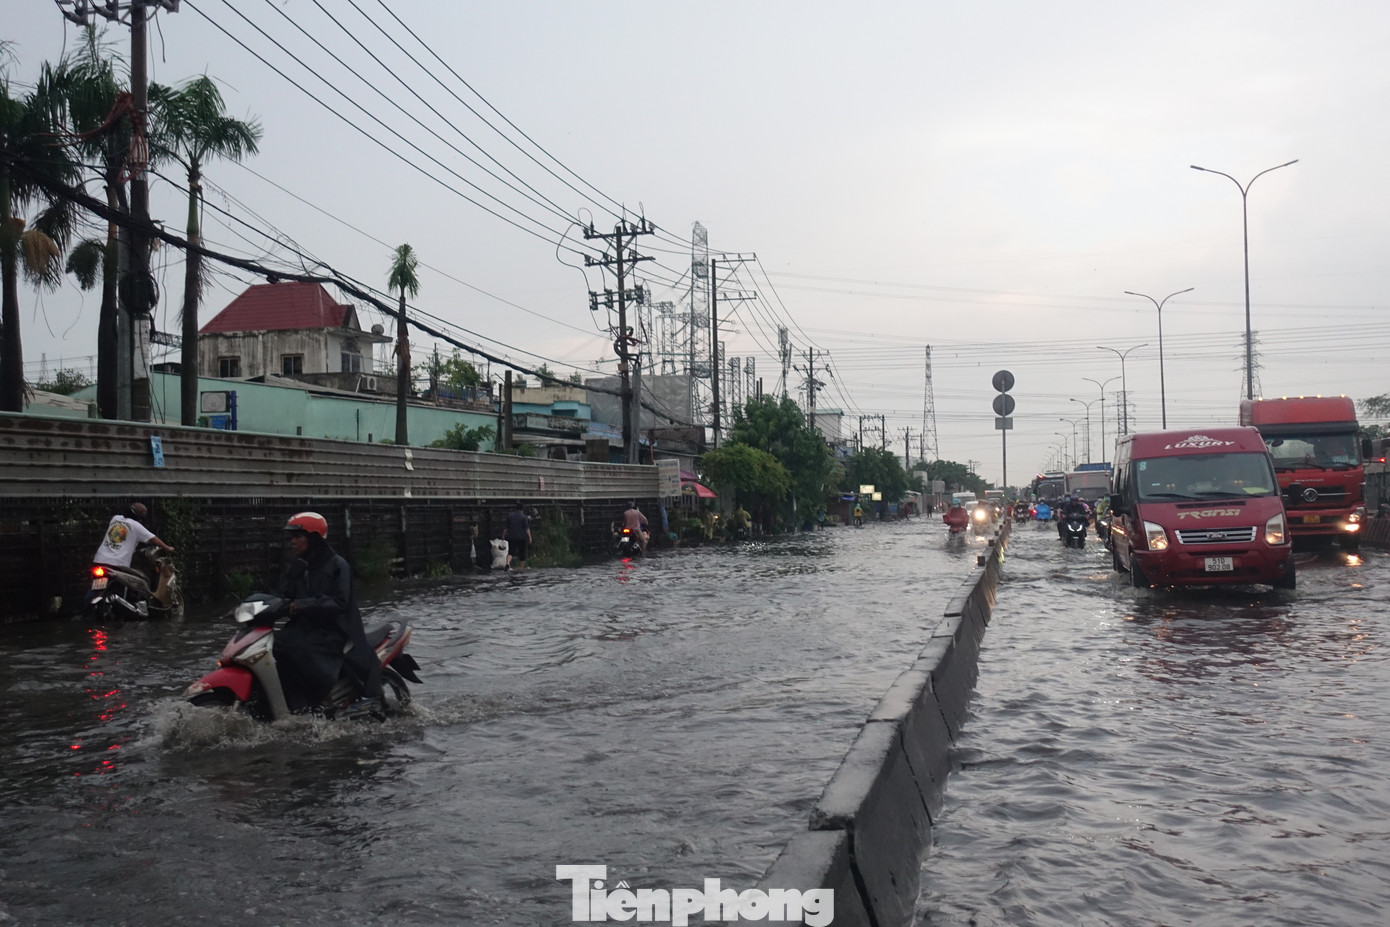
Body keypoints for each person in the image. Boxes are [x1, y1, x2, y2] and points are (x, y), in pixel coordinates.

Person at [273, 512, 382, 714]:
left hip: (334, 630)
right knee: (275, 644)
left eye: (298, 536)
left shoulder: (338, 565)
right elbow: (282, 594)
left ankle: (318, 698)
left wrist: (302, 605)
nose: (293, 542)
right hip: (306, 627)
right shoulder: (298, 567)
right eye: (291, 537)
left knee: (302, 648)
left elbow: (339, 602)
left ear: (313, 538)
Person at [93, 502, 176, 606]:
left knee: (95, 587)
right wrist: (167, 548)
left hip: (100, 559)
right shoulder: (136, 526)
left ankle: (85, 609)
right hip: (118, 563)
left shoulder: (115, 519)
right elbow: (153, 539)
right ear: (140, 515)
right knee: (127, 585)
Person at [504, 501, 532, 571]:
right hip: (522, 538)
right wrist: (530, 537)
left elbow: (506, 528)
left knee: (510, 552)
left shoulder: (510, 516)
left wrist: (503, 536)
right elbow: (527, 529)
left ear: (515, 509)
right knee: (522, 553)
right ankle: (521, 568)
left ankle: (507, 563)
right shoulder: (524, 517)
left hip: (512, 537)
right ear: (522, 509)